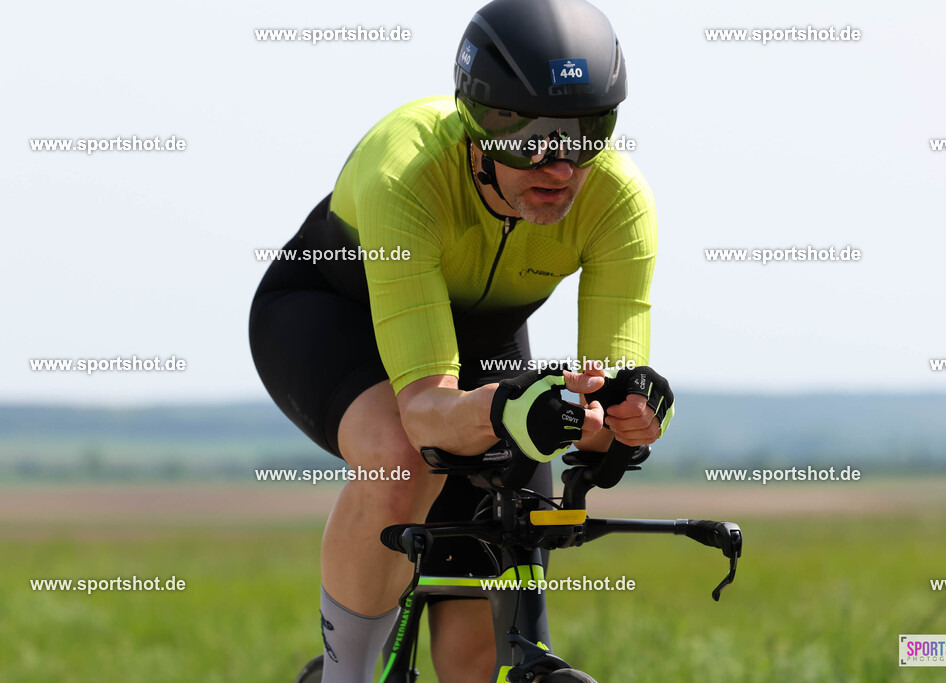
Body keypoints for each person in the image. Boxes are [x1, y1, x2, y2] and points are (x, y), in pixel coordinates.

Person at [249, 0, 673, 680]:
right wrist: (507, 411)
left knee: (515, 515)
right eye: (528, 138)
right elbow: (423, 410)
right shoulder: (409, 172)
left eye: (586, 132)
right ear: (479, 126)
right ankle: (346, 673)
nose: (559, 165)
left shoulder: (619, 201)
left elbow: (606, 391)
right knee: (402, 459)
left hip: (484, 343)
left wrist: (620, 420)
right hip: (331, 314)